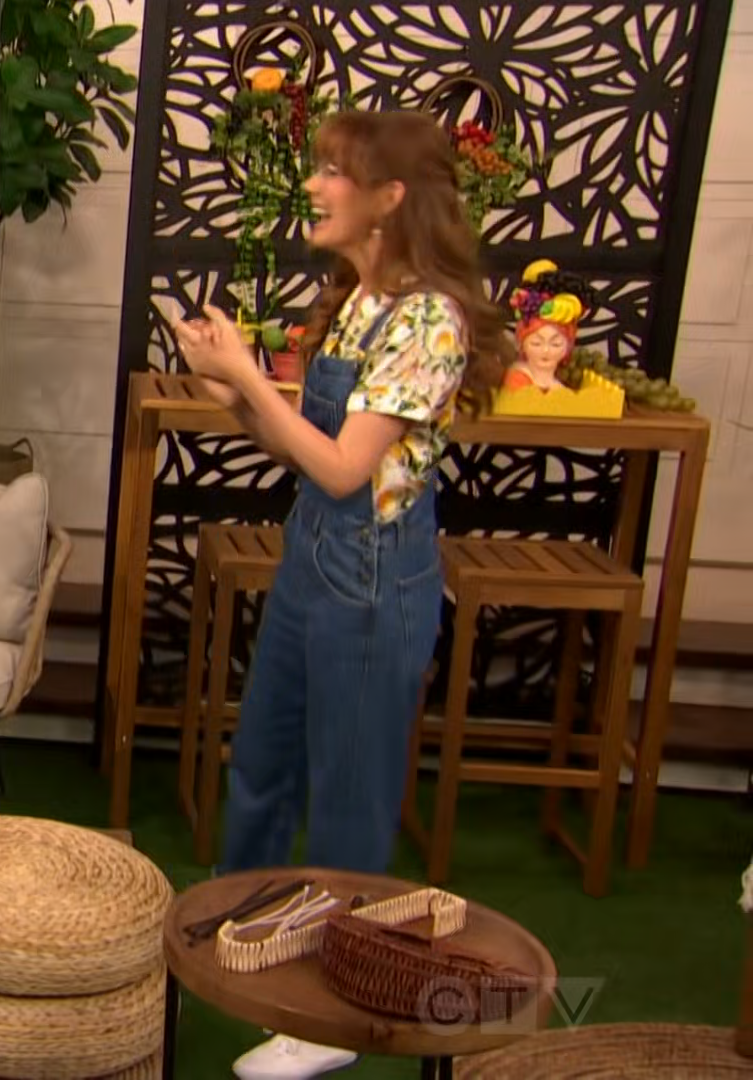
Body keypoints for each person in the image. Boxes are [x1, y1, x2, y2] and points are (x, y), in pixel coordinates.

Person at [168, 109, 512, 1079]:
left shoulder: (429, 320)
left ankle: (332, 1020)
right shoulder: (359, 300)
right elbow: (303, 447)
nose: (315, 186)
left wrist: (249, 378)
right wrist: (231, 390)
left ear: (390, 198)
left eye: (334, 173)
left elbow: (344, 469)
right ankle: (243, 941)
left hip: (372, 579)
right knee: (262, 766)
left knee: (350, 800)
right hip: (313, 560)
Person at [502, 261, 587, 392]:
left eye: (556, 344)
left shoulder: (560, 387)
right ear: (521, 344)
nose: (546, 351)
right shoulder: (518, 378)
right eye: (536, 343)